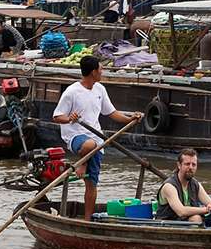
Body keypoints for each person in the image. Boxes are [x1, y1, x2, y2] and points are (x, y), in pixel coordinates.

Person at [52, 56, 143, 220]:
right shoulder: (72, 92)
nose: (102, 71)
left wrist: (130, 119)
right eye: (101, 69)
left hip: (97, 140)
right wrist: (70, 119)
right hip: (76, 137)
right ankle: (82, 165)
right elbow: (57, 116)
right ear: (93, 72)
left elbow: (112, 113)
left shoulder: (100, 89)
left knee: (92, 183)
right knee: (89, 144)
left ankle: (88, 220)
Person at [156, 149, 211, 223]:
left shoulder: (196, 185)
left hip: (186, 222)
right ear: (179, 165)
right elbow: (181, 211)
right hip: (168, 225)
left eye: (194, 164)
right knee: (196, 218)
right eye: (187, 164)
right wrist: (206, 209)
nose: (191, 167)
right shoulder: (169, 187)